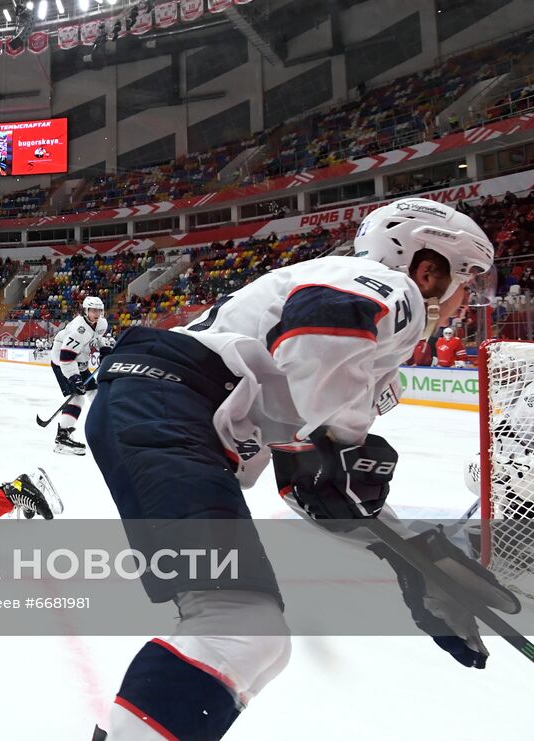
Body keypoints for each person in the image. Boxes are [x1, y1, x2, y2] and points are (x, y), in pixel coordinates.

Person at [83, 197, 496, 740]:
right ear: (427, 267)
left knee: (244, 630)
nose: (468, 299)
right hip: (169, 411)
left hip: (162, 412)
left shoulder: (361, 323)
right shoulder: (385, 288)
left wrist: (411, 555)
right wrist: (338, 445)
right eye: (467, 279)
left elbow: (313, 487)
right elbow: (316, 364)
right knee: (239, 629)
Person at [48, 295, 113, 456]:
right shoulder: (78, 329)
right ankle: (62, 438)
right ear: (86, 311)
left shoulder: (102, 323)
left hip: (80, 361)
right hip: (62, 362)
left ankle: (107, 428)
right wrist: (74, 378)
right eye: (93, 310)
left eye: (99, 310)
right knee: (77, 398)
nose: (96, 313)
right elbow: (66, 358)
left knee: (96, 393)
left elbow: (96, 338)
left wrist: (103, 348)